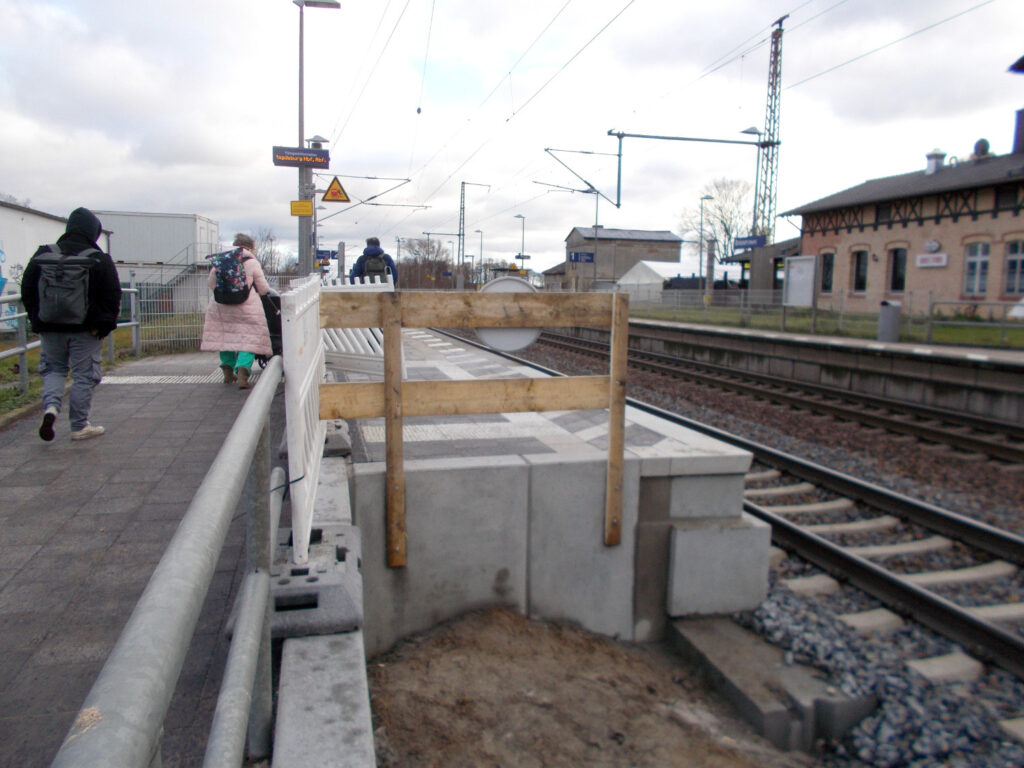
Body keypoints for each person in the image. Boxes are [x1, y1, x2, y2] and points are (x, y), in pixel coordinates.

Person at [22, 207, 122, 442]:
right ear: (93, 231)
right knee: (84, 376)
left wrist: (37, 320)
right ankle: (79, 426)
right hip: (85, 329)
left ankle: (51, 409)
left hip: (50, 326)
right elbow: (112, 294)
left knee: (54, 370)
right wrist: (103, 326)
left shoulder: (44, 254)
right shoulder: (97, 258)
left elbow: (27, 289)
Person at [200, 233, 273, 389]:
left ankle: (227, 367)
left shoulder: (220, 260)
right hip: (247, 307)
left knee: (224, 337)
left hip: (220, 306)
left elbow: (211, 283)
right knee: (250, 339)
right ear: (249, 248)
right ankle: (243, 370)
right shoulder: (251, 262)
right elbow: (263, 288)